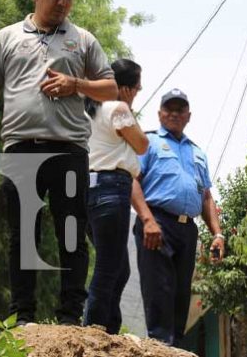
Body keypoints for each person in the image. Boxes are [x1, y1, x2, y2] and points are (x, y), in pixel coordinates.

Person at [0, 0, 118, 324]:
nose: (63, 1)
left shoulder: (82, 39)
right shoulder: (6, 37)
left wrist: (76, 85)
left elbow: (110, 87)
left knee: (71, 231)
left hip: (69, 149)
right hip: (20, 148)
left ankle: (70, 316)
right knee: (23, 233)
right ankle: (22, 315)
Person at [131, 89, 224, 347]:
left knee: (181, 292)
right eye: (169, 108)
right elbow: (132, 181)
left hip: (187, 229)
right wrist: (147, 219)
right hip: (157, 223)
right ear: (160, 113)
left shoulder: (197, 152)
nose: (174, 113)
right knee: (159, 289)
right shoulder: (146, 142)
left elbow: (206, 196)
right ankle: (160, 345)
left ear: (188, 115)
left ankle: (176, 348)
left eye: (179, 109)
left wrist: (217, 233)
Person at [83, 59, 148, 334]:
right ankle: (93, 332)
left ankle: (109, 329)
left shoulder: (88, 111)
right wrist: (128, 108)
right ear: (124, 88)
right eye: (136, 86)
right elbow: (142, 144)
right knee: (110, 267)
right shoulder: (118, 108)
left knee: (120, 268)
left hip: (88, 189)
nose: (139, 89)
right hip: (113, 188)